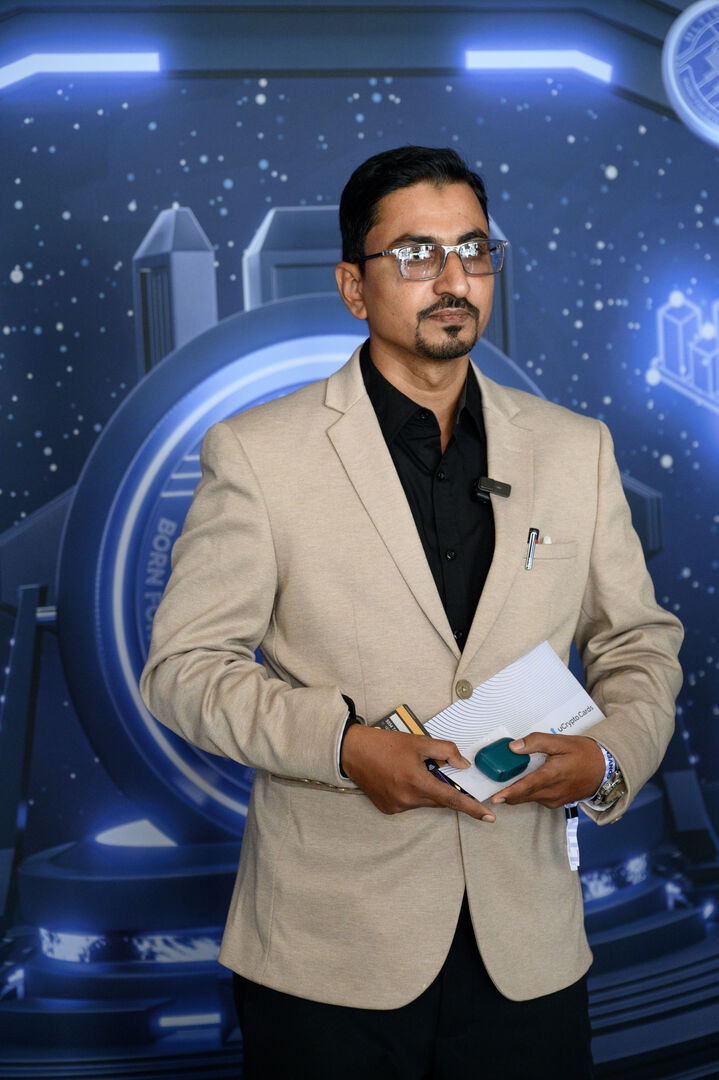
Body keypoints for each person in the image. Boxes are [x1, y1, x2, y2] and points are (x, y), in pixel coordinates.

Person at [140, 145, 683, 1079]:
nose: (452, 278)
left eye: (471, 250)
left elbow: (637, 643)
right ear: (353, 286)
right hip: (326, 955)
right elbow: (183, 671)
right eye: (416, 254)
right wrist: (345, 746)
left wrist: (605, 759)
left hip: (529, 948)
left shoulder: (574, 450)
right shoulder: (258, 453)